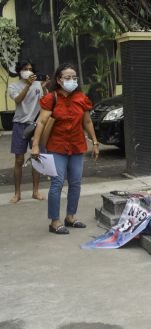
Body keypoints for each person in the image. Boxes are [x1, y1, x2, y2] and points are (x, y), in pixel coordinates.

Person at [31, 63, 100, 234]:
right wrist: (35, 146)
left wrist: (95, 142)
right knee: (57, 183)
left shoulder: (81, 98)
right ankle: (55, 221)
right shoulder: (51, 99)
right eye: (67, 78)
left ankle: (70, 217)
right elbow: (41, 122)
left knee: (76, 183)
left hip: (77, 146)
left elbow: (88, 122)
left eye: (74, 78)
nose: (72, 80)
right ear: (59, 80)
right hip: (57, 147)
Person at [8, 60, 49, 204]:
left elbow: (45, 101)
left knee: (36, 158)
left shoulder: (37, 84)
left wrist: (43, 87)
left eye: (31, 69)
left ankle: (35, 191)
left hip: (36, 124)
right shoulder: (13, 86)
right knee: (19, 160)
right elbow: (18, 100)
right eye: (25, 69)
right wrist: (27, 85)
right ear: (19, 71)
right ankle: (17, 193)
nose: (28, 71)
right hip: (19, 124)